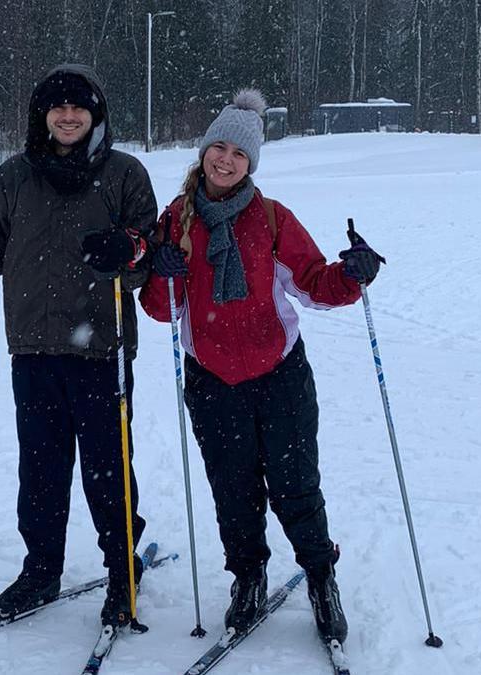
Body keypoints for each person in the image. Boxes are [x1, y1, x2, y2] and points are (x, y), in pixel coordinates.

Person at [138, 90, 383, 646]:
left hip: (279, 376)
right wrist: (162, 270)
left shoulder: (271, 218)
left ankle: (321, 578)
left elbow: (314, 282)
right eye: (217, 148)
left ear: (252, 163)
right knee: (233, 489)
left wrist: (353, 274)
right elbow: (161, 310)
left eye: (238, 153)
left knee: (297, 486)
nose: (225, 160)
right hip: (211, 381)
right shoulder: (176, 219)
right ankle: (248, 577)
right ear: (203, 151)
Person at [0, 64, 158, 627]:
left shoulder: (124, 174)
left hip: (102, 348)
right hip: (32, 349)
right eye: (58, 107)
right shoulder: (14, 177)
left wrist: (128, 250)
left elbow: (150, 253)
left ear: (95, 114)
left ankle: (123, 570)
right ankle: (41, 569)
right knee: (42, 469)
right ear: (42, 115)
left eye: (78, 107)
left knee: (107, 468)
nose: (68, 116)